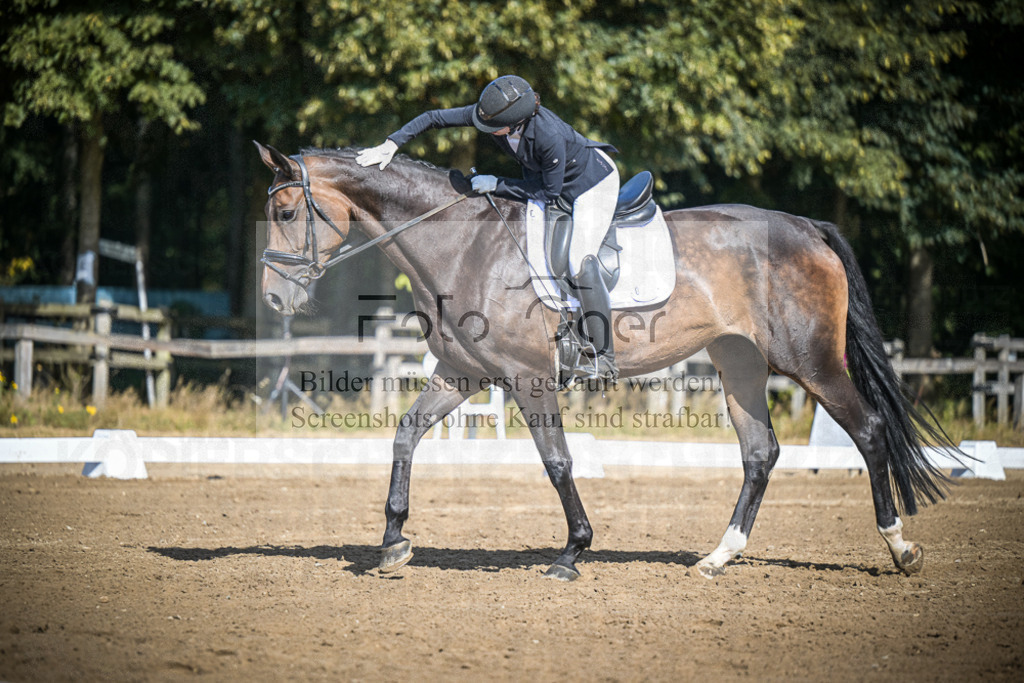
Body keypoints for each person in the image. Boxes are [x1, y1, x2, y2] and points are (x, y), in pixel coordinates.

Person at [357, 75, 621, 380]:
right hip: (552, 184)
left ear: (515, 123)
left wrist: (498, 183)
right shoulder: (495, 115)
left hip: (591, 187)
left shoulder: (547, 135)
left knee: (580, 261)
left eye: (493, 128)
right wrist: (391, 144)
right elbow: (433, 118)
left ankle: (604, 357)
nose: (485, 131)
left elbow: (549, 193)